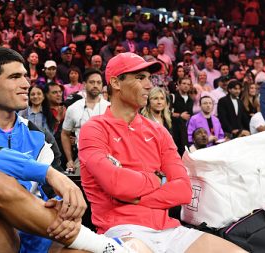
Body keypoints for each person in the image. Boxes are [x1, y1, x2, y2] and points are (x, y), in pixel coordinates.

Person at [0, 47, 131, 253]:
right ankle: (105, 245)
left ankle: (104, 248)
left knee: (97, 250)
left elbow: (54, 196)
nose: (25, 84)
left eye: (25, 76)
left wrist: (63, 210)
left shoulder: (39, 136)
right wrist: (47, 173)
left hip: (34, 239)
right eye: (14, 77)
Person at [78, 52, 247, 252]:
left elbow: (184, 190)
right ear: (115, 83)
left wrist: (135, 196)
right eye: (140, 78)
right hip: (123, 230)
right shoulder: (94, 129)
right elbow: (116, 183)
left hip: (170, 230)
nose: (149, 85)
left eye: (149, 78)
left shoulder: (158, 131)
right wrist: (157, 180)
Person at [61, 68, 110, 173]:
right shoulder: (73, 108)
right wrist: (69, 160)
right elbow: (65, 134)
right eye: (92, 82)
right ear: (84, 84)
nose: (96, 85)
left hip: (108, 159)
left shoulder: (110, 107)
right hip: (83, 159)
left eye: (99, 82)